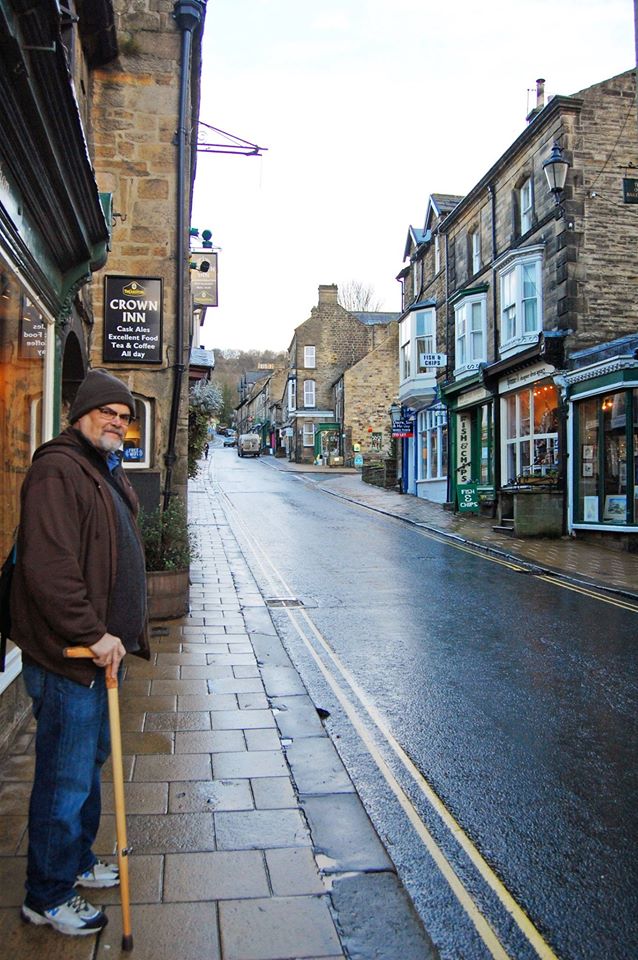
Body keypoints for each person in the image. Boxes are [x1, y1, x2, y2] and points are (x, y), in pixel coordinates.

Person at [11, 368, 150, 937]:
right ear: (81, 415)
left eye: (124, 417)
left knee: (87, 765)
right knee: (64, 778)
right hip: (71, 656)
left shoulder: (98, 467)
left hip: (98, 663)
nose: (116, 423)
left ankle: (74, 861)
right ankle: (46, 894)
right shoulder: (56, 470)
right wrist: (92, 633)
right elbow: (49, 568)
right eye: (107, 414)